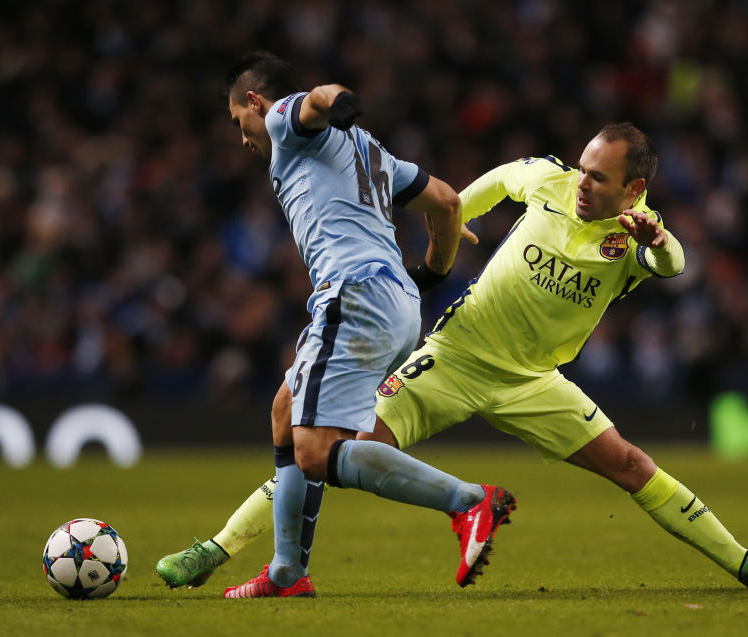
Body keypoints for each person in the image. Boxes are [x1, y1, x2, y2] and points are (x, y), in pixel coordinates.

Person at [158, 122, 748, 594]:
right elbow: (504, 178)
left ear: (632, 187)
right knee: (332, 444)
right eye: (583, 167)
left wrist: (660, 238)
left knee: (632, 463)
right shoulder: (551, 182)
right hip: (456, 355)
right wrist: (460, 212)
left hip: (533, 380)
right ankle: (216, 550)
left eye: (600, 177)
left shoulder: (635, 234)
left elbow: (673, 266)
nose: (583, 183)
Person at [154, 51, 518, 598]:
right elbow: (445, 203)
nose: (243, 138)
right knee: (286, 411)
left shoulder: (283, 123)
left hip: (353, 295)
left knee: (317, 452)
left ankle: (468, 501)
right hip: (393, 300)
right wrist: (430, 273)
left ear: (254, 102)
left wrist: (337, 101)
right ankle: (286, 572)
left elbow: (320, 99)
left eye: (238, 122)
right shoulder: (372, 151)